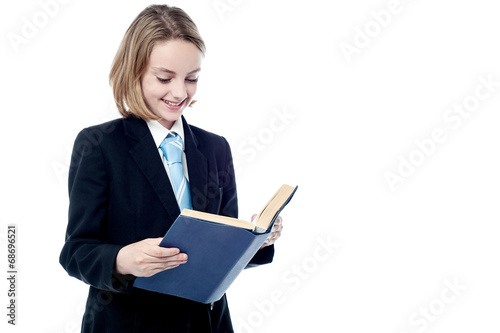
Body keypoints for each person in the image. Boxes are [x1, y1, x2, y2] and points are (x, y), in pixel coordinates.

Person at [59, 4, 283, 333]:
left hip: (207, 324)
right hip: (129, 324)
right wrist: (122, 259)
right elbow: (76, 250)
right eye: (165, 78)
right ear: (134, 71)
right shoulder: (99, 145)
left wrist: (255, 241)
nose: (180, 93)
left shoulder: (215, 148)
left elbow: (220, 253)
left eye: (191, 78)